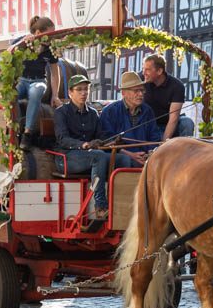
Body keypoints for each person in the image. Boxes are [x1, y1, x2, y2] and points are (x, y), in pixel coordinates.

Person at [53, 75, 129, 221]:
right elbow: (62, 139)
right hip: (66, 158)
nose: (84, 93)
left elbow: (100, 138)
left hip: (89, 157)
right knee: (98, 156)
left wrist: (111, 142)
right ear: (70, 92)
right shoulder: (61, 112)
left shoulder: (93, 113)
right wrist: (83, 145)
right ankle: (100, 206)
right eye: (79, 90)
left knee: (123, 160)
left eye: (86, 89)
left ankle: (122, 205)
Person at [8, 16, 58, 150]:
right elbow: (8, 51)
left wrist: (55, 95)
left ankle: (27, 133)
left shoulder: (51, 48)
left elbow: (55, 73)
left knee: (36, 92)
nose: (51, 37)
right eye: (49, 34)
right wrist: (22, 43)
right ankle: (16, 129)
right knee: (12, 96)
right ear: (37, 33)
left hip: (39, 80)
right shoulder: (26, 41)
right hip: (22, 80)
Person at [100, 71, 162, 167]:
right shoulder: (109, 111)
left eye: (142, 90)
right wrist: (129, 154)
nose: (141, 94)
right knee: (127, 161)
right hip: (122, 157)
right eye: (136, 91)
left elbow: (154, 137)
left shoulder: (147, 111)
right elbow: (106, 140)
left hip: (145, 157)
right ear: (123, 92)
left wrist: (150, 153)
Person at [142, 53, 195, 140]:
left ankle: (185, 150)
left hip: (169, 124)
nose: (143, 73)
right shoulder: (141, 79)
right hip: (148, 125)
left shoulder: (177, 86)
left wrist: (163, 145)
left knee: (187, 122)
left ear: (159, 71)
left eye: (147, 70)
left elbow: (173, 119)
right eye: (143, 69)